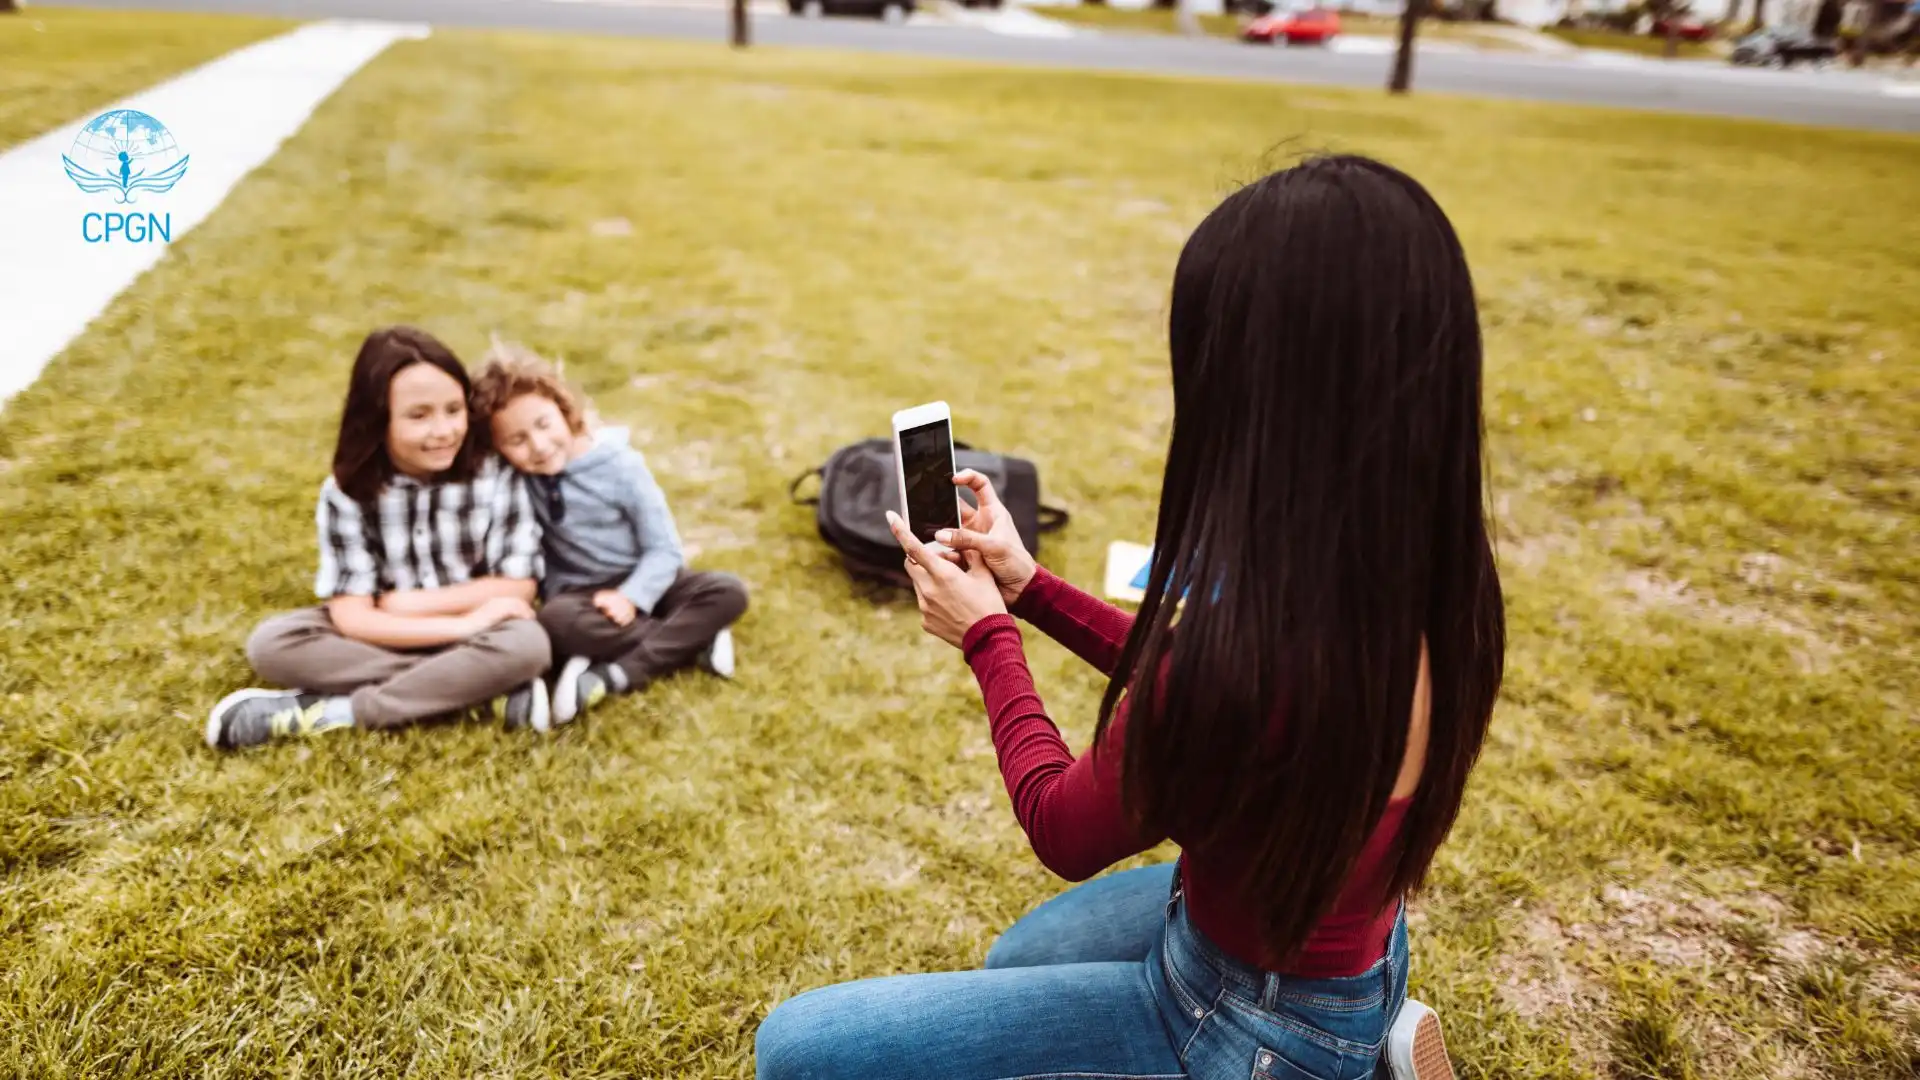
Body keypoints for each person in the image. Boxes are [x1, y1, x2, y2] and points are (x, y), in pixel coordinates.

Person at [754, 155, 1506, 1080]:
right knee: (1013, 964)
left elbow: (1065, 830)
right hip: (1330, 948)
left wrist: (989, 638)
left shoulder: (1254, 663)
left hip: (1238, 1020)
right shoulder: (1423, 582)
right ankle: (1361, 1041)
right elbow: (1201, 690)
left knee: (798, 1050)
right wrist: (1031, 590)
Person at [205, 326, 554, 749]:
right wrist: (461, 627)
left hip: (480, 631)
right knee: (273, 643)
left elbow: (517, 585)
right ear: (378, 419)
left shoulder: (493, 470)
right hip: (391, 633)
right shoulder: (348, 491)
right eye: (419, 415)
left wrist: (421, 607)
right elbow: (353, 616)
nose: (443, 430)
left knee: (528, 645)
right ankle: (475, 693)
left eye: (453, 409)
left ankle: (337, 713)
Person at [470, 340, 749, 726]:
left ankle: (618, 673)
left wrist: (632, 597)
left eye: (543, 424)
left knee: (727, 591)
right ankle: (690, 639)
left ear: (565, 412)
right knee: (557, 622)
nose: (538, 445)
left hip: (647, 583)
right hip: (581, 600)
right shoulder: (519, 480)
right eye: (517, 440)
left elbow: (664, 550)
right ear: (500, 450)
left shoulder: (620, 467)